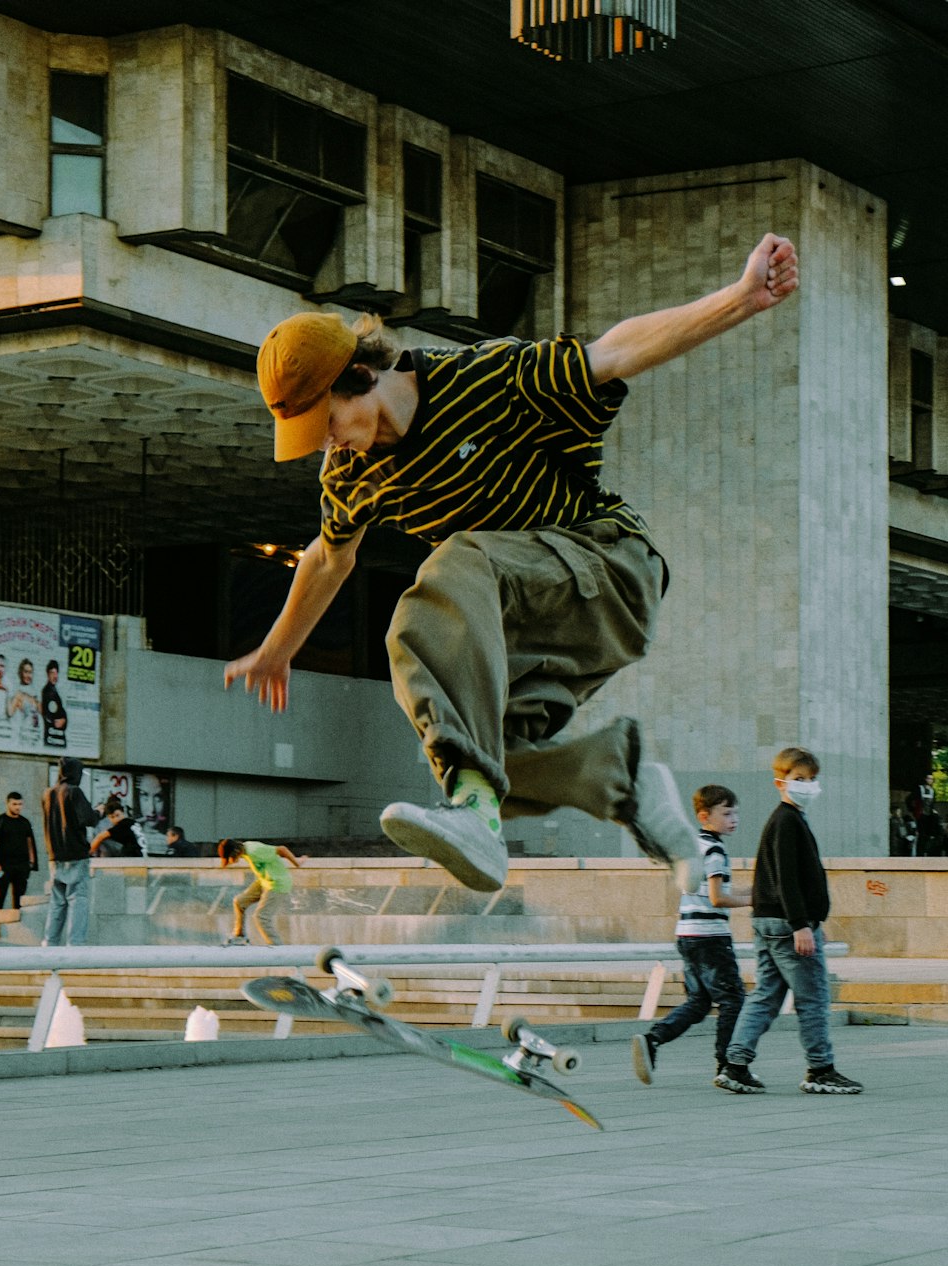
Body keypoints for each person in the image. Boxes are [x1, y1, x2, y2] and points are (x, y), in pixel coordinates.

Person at [224, 234, 799, 895]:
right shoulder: (351, 477)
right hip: (527, 620)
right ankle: (621, 777)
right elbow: (329, 558)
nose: (330, 446)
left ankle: (472, 814)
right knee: (482, 748)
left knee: (446, 575)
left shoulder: (484, 378)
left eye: (326, 423)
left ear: (359, 376)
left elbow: (611, 353)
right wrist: (276, 650)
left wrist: (741, 299)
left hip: (605, 569)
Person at [716, 747, 863, 1095]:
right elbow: (787, 878)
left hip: (769, 921)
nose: (808, 785)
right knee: (813, 997)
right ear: (780, 782)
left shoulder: (787, 820)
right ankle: (820, 1069)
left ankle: (735, 1065)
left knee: (766, 995)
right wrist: (801, 924)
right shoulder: (787, 821)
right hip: (787, 924)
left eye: (812, 779)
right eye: (799, 779)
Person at [632, 784, 752, 1087]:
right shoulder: (714, 850)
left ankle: (653, 1039)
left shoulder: (692, 845)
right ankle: (727, 1066)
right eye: (726, 813)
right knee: (733, 999)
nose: (734, 818)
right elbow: (717, 898)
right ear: (704, 816)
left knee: (699, 1002)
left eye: (736, 812)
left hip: (687, 934)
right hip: (711, 937)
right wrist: (755, 897)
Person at [41, 757, 102, 946]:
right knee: (78, 899)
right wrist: (99, 811)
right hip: (75, 854)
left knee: (57, 902)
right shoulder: (74, 792)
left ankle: (49, 943)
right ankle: (75, 945)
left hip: (54, 856)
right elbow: (89, 819)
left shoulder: (47, 794)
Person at [218, 838, 306, 945]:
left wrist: (297, 863)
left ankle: (277, 948)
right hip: (264, 881)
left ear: (235, 852)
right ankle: (239, 936)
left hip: (277, 884)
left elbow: (282, 849)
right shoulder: (244, 849)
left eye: (230, 858)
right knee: (239, 902)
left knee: (261, 917)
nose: (231, 862)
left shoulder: (255, 851)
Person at [0, 791, 38, 921]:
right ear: (8, 803)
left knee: (19, 897)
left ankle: (17, 926)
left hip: (21, 865)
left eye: (20, 804)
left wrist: (31, 862)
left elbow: (30, 841)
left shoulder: (25, 822)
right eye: (14, 804)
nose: (18, 807)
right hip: (3, 866)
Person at [7, 657, 41, 736]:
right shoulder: (18, 693)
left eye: (30, 672)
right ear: (21, 673)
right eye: (26, 672)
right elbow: (10, 713)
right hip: (25, 734)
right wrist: (7, 694)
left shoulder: (35, 693)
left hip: (36, 735)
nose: (28, 675)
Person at [41, 659, 68, 749]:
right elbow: (49, 713)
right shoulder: (47, 692)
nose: (55, 676)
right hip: (52, 736)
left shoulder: (54, 691)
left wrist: (64, 719)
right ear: (48, 674)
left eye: (56, 673)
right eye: (52, 673)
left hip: (56, 736)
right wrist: (60, 720)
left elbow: (60, 710)